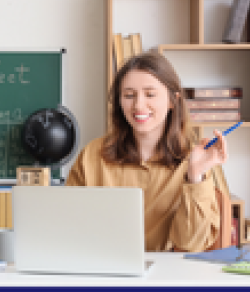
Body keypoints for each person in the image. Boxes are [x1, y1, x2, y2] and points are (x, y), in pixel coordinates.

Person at [66, 51, 229, 253]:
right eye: (129, 95)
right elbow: (69, 228)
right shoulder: (92, 155)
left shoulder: (194, 161)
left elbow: (190, 244)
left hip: (166, 277)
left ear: (173, 101)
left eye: (150, 94)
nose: (138, 105)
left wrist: (195, 175)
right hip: (104, 271)